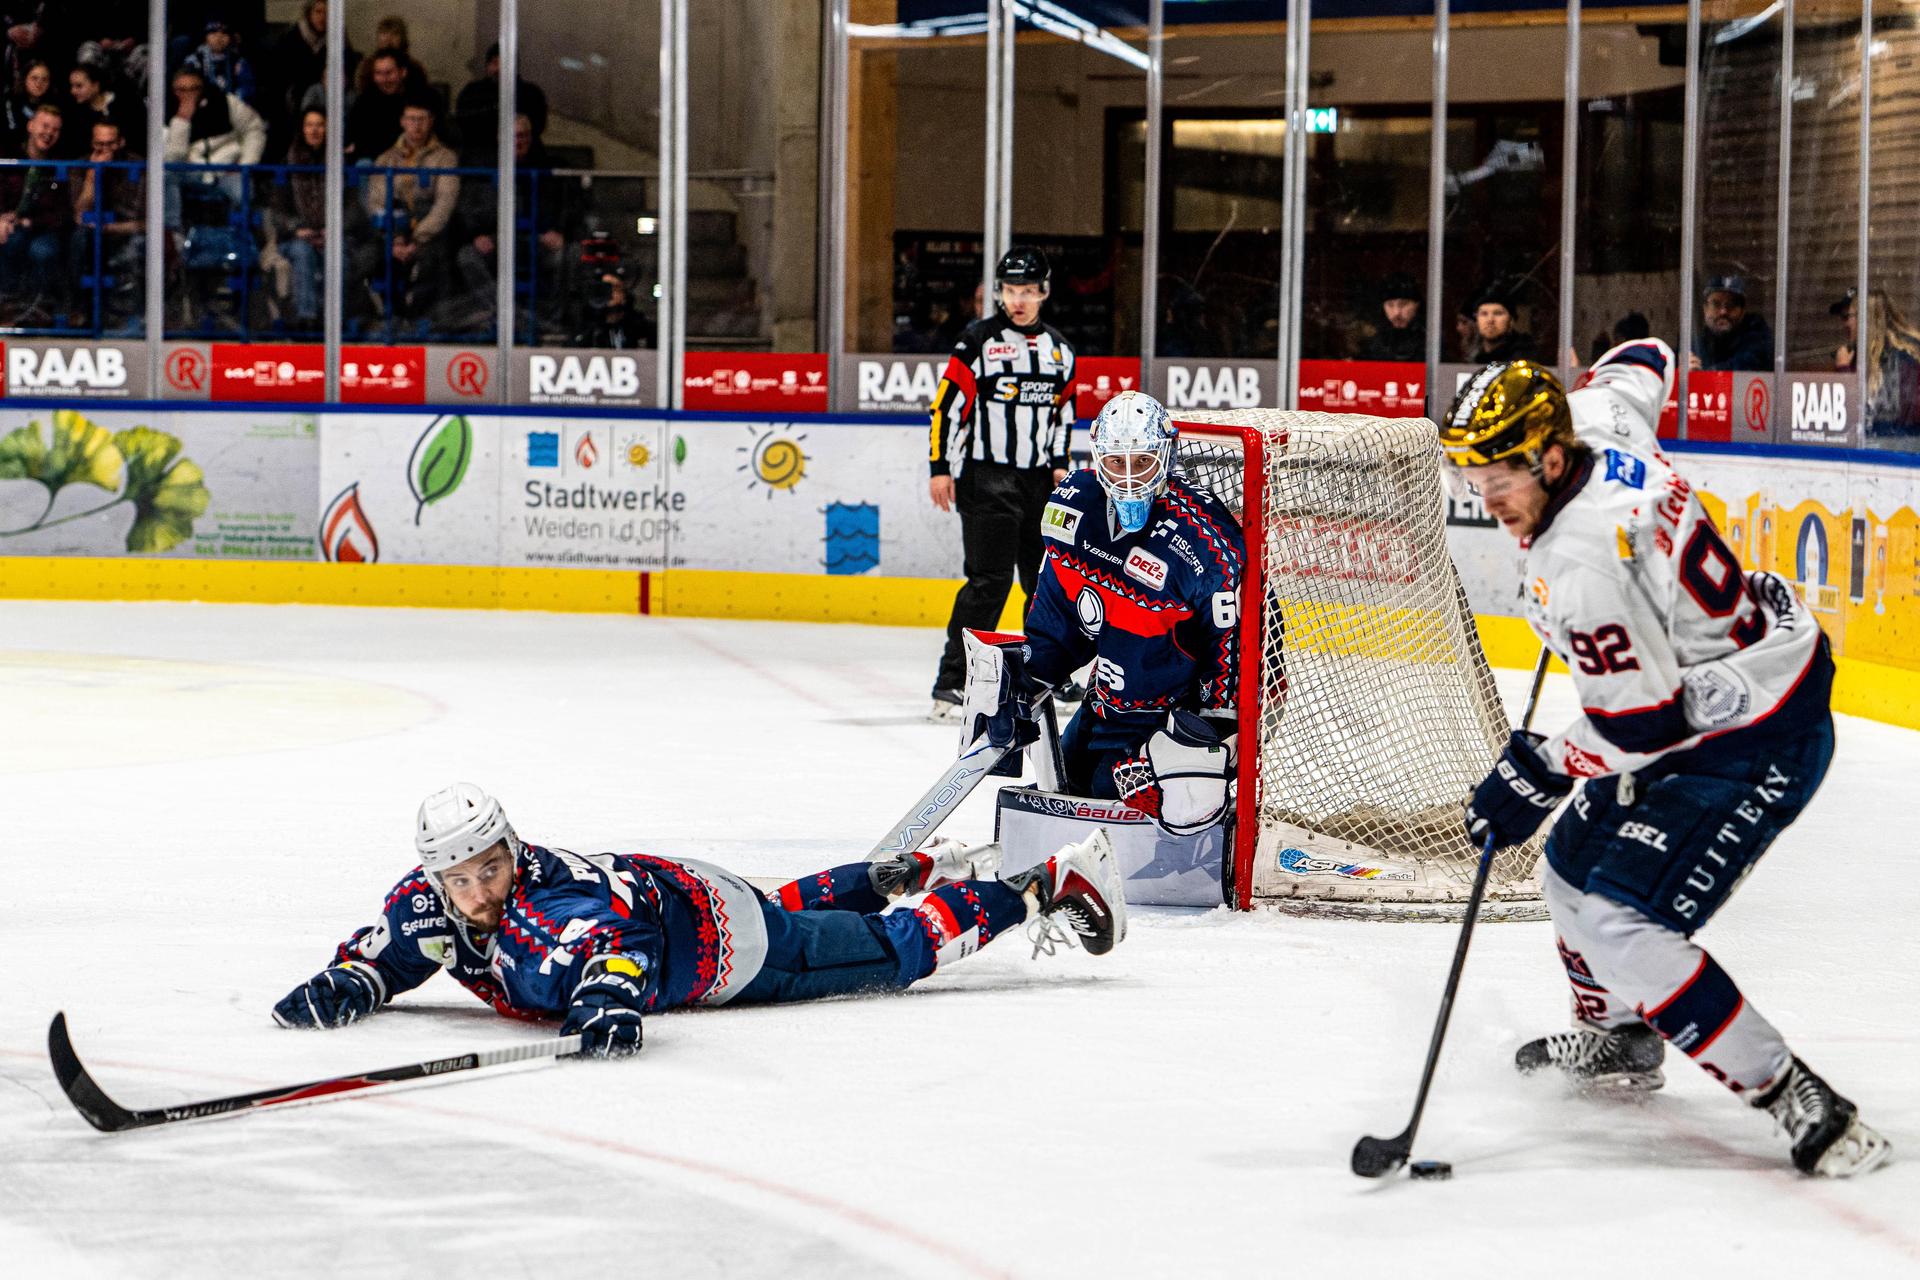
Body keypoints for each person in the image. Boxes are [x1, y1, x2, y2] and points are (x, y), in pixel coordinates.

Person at [1439, 360, 1891, 1179]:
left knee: (1620, 917)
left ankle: (1795, 1092)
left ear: (1548, 457)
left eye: (1500, 475)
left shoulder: (1583, 567)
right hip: (1718, 682)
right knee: (1568, 872)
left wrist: (1537, 771)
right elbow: (1645, 361)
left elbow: (1642, 726)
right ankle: (1621, 1038)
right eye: (1473, 474)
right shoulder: (1597, 415)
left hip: (1754, 730)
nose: (1485, 497)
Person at [271, 783, 1127, 1053]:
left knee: (891, 952)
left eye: (491, 868)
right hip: (691, 889)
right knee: (789, 899)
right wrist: (353, 979)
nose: (480, 893)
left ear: (512, 849)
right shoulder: (432, 905)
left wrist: (608, 1002)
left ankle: (1041, 884)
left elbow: (614, 945)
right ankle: (914, 868)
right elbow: (392, 946)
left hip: (732, 951)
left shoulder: (549, 910)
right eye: (462, 880)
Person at [999, 390, 1244, 827]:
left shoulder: (1207, 540)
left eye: (1142, 462)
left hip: (1168, 717)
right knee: (1059, 789)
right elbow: (1059, 611)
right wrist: (1029, 679)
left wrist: (1201, 746)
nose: (1129, 478)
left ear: (1164, 456)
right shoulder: (1073, 505)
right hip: (1106, 702)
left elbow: (1233, 645)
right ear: (1097, 457)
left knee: (1107, 797)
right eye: (1116, 462)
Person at [927, 246, 1076, 719]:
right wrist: (939, 467)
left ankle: (1051, 674)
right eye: (1011, 291)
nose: (1019, 300)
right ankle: (952, 682)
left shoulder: (1060, 350)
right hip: (985, 478)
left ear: (1044, 293)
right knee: (988, 583)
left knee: (1045, 585)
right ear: (998, 293)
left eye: (1028, 291)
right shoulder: (976, 343)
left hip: (1039, 483)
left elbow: (1062, 414)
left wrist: (1059, 464)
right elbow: (946, 407)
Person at [356, 94, 459, 323]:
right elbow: (377, 202)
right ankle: (383, 317)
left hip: (428, 235)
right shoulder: (386, 159)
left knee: (434, 259)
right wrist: (395, 239)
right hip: (392, 234)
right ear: (402, 121)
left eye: (422, 119)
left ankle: (422, 322)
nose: (416, 125)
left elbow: (444, 204)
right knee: (366, 257)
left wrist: (418, 238)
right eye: (411, 119)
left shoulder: (446, 158)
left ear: (431, 121)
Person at [70, 119, 144, 330]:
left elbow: (149, 223)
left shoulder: (137, 166)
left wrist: (112, 228)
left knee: (141, 245)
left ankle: (132, 318)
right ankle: (81, 310)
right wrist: (92, 179)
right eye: (99, 145)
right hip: (92, 236)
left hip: (127, 235)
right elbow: (78, 216)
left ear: (121, 142)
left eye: (110, 144)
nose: (104, 151)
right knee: (78, 238)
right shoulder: (82, 164)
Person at [0, 102, 71, 322]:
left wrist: (29, 221)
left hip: (42, 229)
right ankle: (8, 306)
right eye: (45, 126)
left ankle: (38, 311)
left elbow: (62, 213)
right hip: (10, 227)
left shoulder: (59, 166)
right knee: (9, 241)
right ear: (31, 126)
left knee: (42, 251)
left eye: (55, 129)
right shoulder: (7, 157)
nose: (49, 133)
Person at [261, 107, 327, 331]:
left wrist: (332, 230)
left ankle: (336, 318)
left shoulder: (339, 163)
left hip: (331, 234)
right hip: (295, 237)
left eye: (320, 124)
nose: (315, 130)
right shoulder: (287, 163)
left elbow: (351, 207)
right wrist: (297, 229)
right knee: (302, 251)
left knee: (338, 255)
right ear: (302, 129)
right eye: (310, 125)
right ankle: (307, 318)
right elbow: (277, 210)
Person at [1833, 287, 1920, 440]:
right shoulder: (1863, 355)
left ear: (1865, 318)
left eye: (1847, 317)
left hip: (1898, 450)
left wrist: (1844, 372)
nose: (1844, 324)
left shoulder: (1896, 357)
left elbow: (1881, 421)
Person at [452, 39, 549, 167]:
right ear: (487, 66)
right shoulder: (472, 93)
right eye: (495, 63)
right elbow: (464, 123)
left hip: (525, 162)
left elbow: (537, 126)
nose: (500, 68)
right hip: (481, 162)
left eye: (506, 63)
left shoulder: (531, 93)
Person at [1689, 274, 1774, 372]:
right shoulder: (1697, 343)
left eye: (1731, 305)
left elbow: (1748, 364)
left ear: (1742, 311)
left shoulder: (1758, 337)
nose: (1723, 311)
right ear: (1705, 309)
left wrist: (1703, 373)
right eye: (1716, 304)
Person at [344, 49, 413, 163]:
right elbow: (354, 140)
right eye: (378, 73)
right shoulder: (365, 102)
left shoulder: (418, 99)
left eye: (389, 73)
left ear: (403, 72)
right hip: (374, 163)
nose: (384, 79)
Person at [183, 18, 257, 106]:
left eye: (224, 33)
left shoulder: (238, 62)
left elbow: (246, 91)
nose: (219, 38)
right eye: (213, 33)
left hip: (232, 108)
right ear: (205, 36)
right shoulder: (194, 61)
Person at [1359, 272, 1423, 362]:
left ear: (1417, 305)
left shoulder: (1432, 342)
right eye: (1390, 305)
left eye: (1403, 304)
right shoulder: (1374, 344)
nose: (1396, 312)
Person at [1466, 284, 1536, 363]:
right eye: (1484, 314)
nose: (1490, 320)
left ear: (1511, 321)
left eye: (1498, 313)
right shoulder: (1470, 354)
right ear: (1476, 320)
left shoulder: (1524, 357)